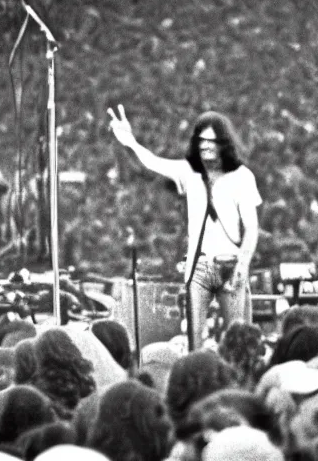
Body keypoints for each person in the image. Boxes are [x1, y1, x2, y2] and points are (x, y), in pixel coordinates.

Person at [109, 106, 262, 350]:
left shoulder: (242, 176)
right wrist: (130, 141)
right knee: (194, 340)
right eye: (202, 141)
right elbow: (153, 163)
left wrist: (243, 263)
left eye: (212, 141)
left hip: (230, 265)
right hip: (198, 265)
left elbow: (251, 227)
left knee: (238, 339)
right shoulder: (190, 172)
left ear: (224, 143)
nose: (206, 146)